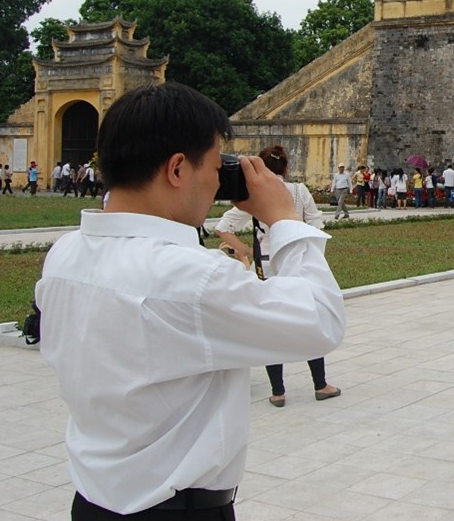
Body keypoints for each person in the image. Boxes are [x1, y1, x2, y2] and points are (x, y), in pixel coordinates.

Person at [35, 83, 345, 518]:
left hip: (92, 502)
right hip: (177, 509)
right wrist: (284, 219)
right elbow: (321, 322)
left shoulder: (64, 255)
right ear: (178, 169)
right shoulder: (192, 277)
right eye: (217, 166)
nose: (219, 180)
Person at [215, 145, 342, 407]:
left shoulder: (252, 195)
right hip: (294, 262)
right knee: (310, 318)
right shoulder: (298, 190)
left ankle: (278, 391)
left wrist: (243, 250)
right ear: (286, 167)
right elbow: (316, 224)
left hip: (265, 266)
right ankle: (320, 384)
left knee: (271, 325)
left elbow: (223, 227)